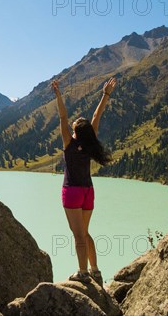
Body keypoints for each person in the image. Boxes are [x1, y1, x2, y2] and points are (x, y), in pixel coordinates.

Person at [51, 77, 116, 285]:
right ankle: (95, 270)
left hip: (72, 192)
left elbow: (62, 116)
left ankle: (82, 272)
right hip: (88, 191)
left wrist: (58, 95)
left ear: (75, 132)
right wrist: (105, 94)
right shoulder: (90, 142)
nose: (70, 126)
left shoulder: (69, 143)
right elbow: (97, 114)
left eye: (73, 126)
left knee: (78, 235)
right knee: (85, 232)